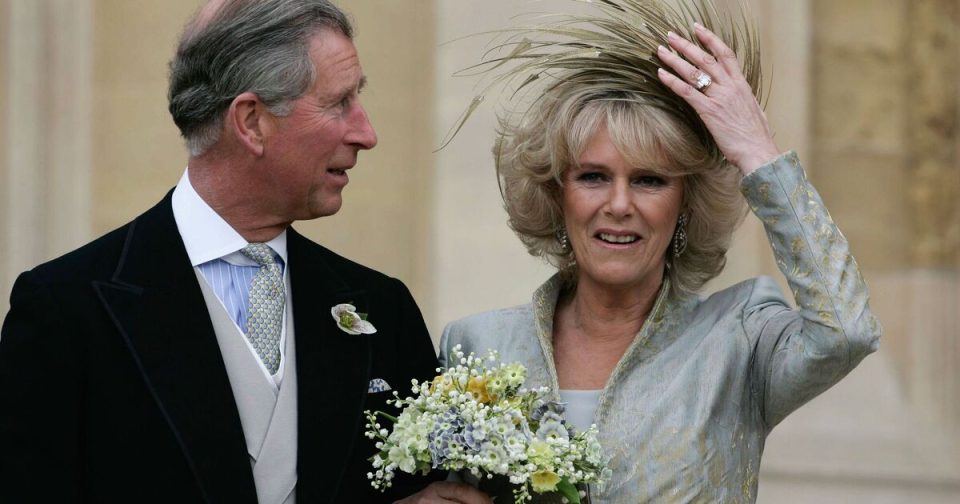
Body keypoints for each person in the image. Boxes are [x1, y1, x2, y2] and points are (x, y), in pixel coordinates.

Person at [0, 1, 471, 502]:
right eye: (339, 103)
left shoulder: (383, 309)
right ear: (251, 121)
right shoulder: (66, 310)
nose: (366, 134)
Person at [439, 1, 882, 502]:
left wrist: (757, 153)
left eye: (650, 180)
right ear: (558, 195)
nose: (619, 205)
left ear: (685, 204)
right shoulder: (476, 344)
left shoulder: (737, 340)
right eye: (593, 177)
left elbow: (847, 332)